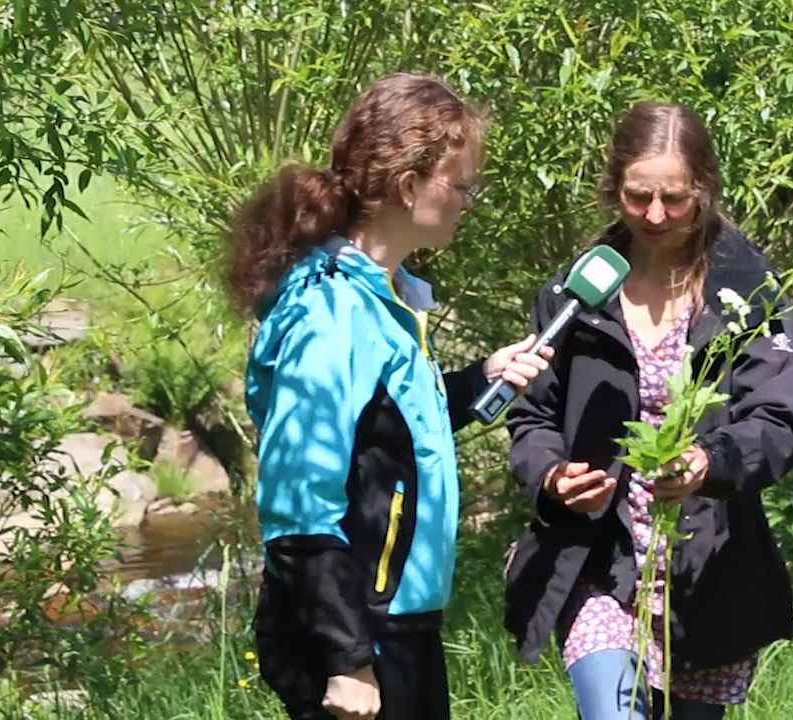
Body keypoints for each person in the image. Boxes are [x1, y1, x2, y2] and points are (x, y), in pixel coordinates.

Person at [225, 72, 553, 720]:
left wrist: (480, 380)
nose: (467, 200)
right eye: (461, 185)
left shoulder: (385, 296)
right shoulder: (331, 312)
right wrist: (347, 660)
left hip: (397, 623)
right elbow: (296, 505)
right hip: (357, 633)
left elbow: (388, 433)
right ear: (409, 186)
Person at [502, 101, 793, 719]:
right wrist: (554, 476)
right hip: (598, 560)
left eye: (674, 197)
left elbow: (777, 424)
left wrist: (709, 463)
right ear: (613, 188)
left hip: (708, 570)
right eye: (637, 195)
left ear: (705, 190)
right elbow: (532, 418)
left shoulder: (748, 293)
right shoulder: (572, 296)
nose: (654, 214)